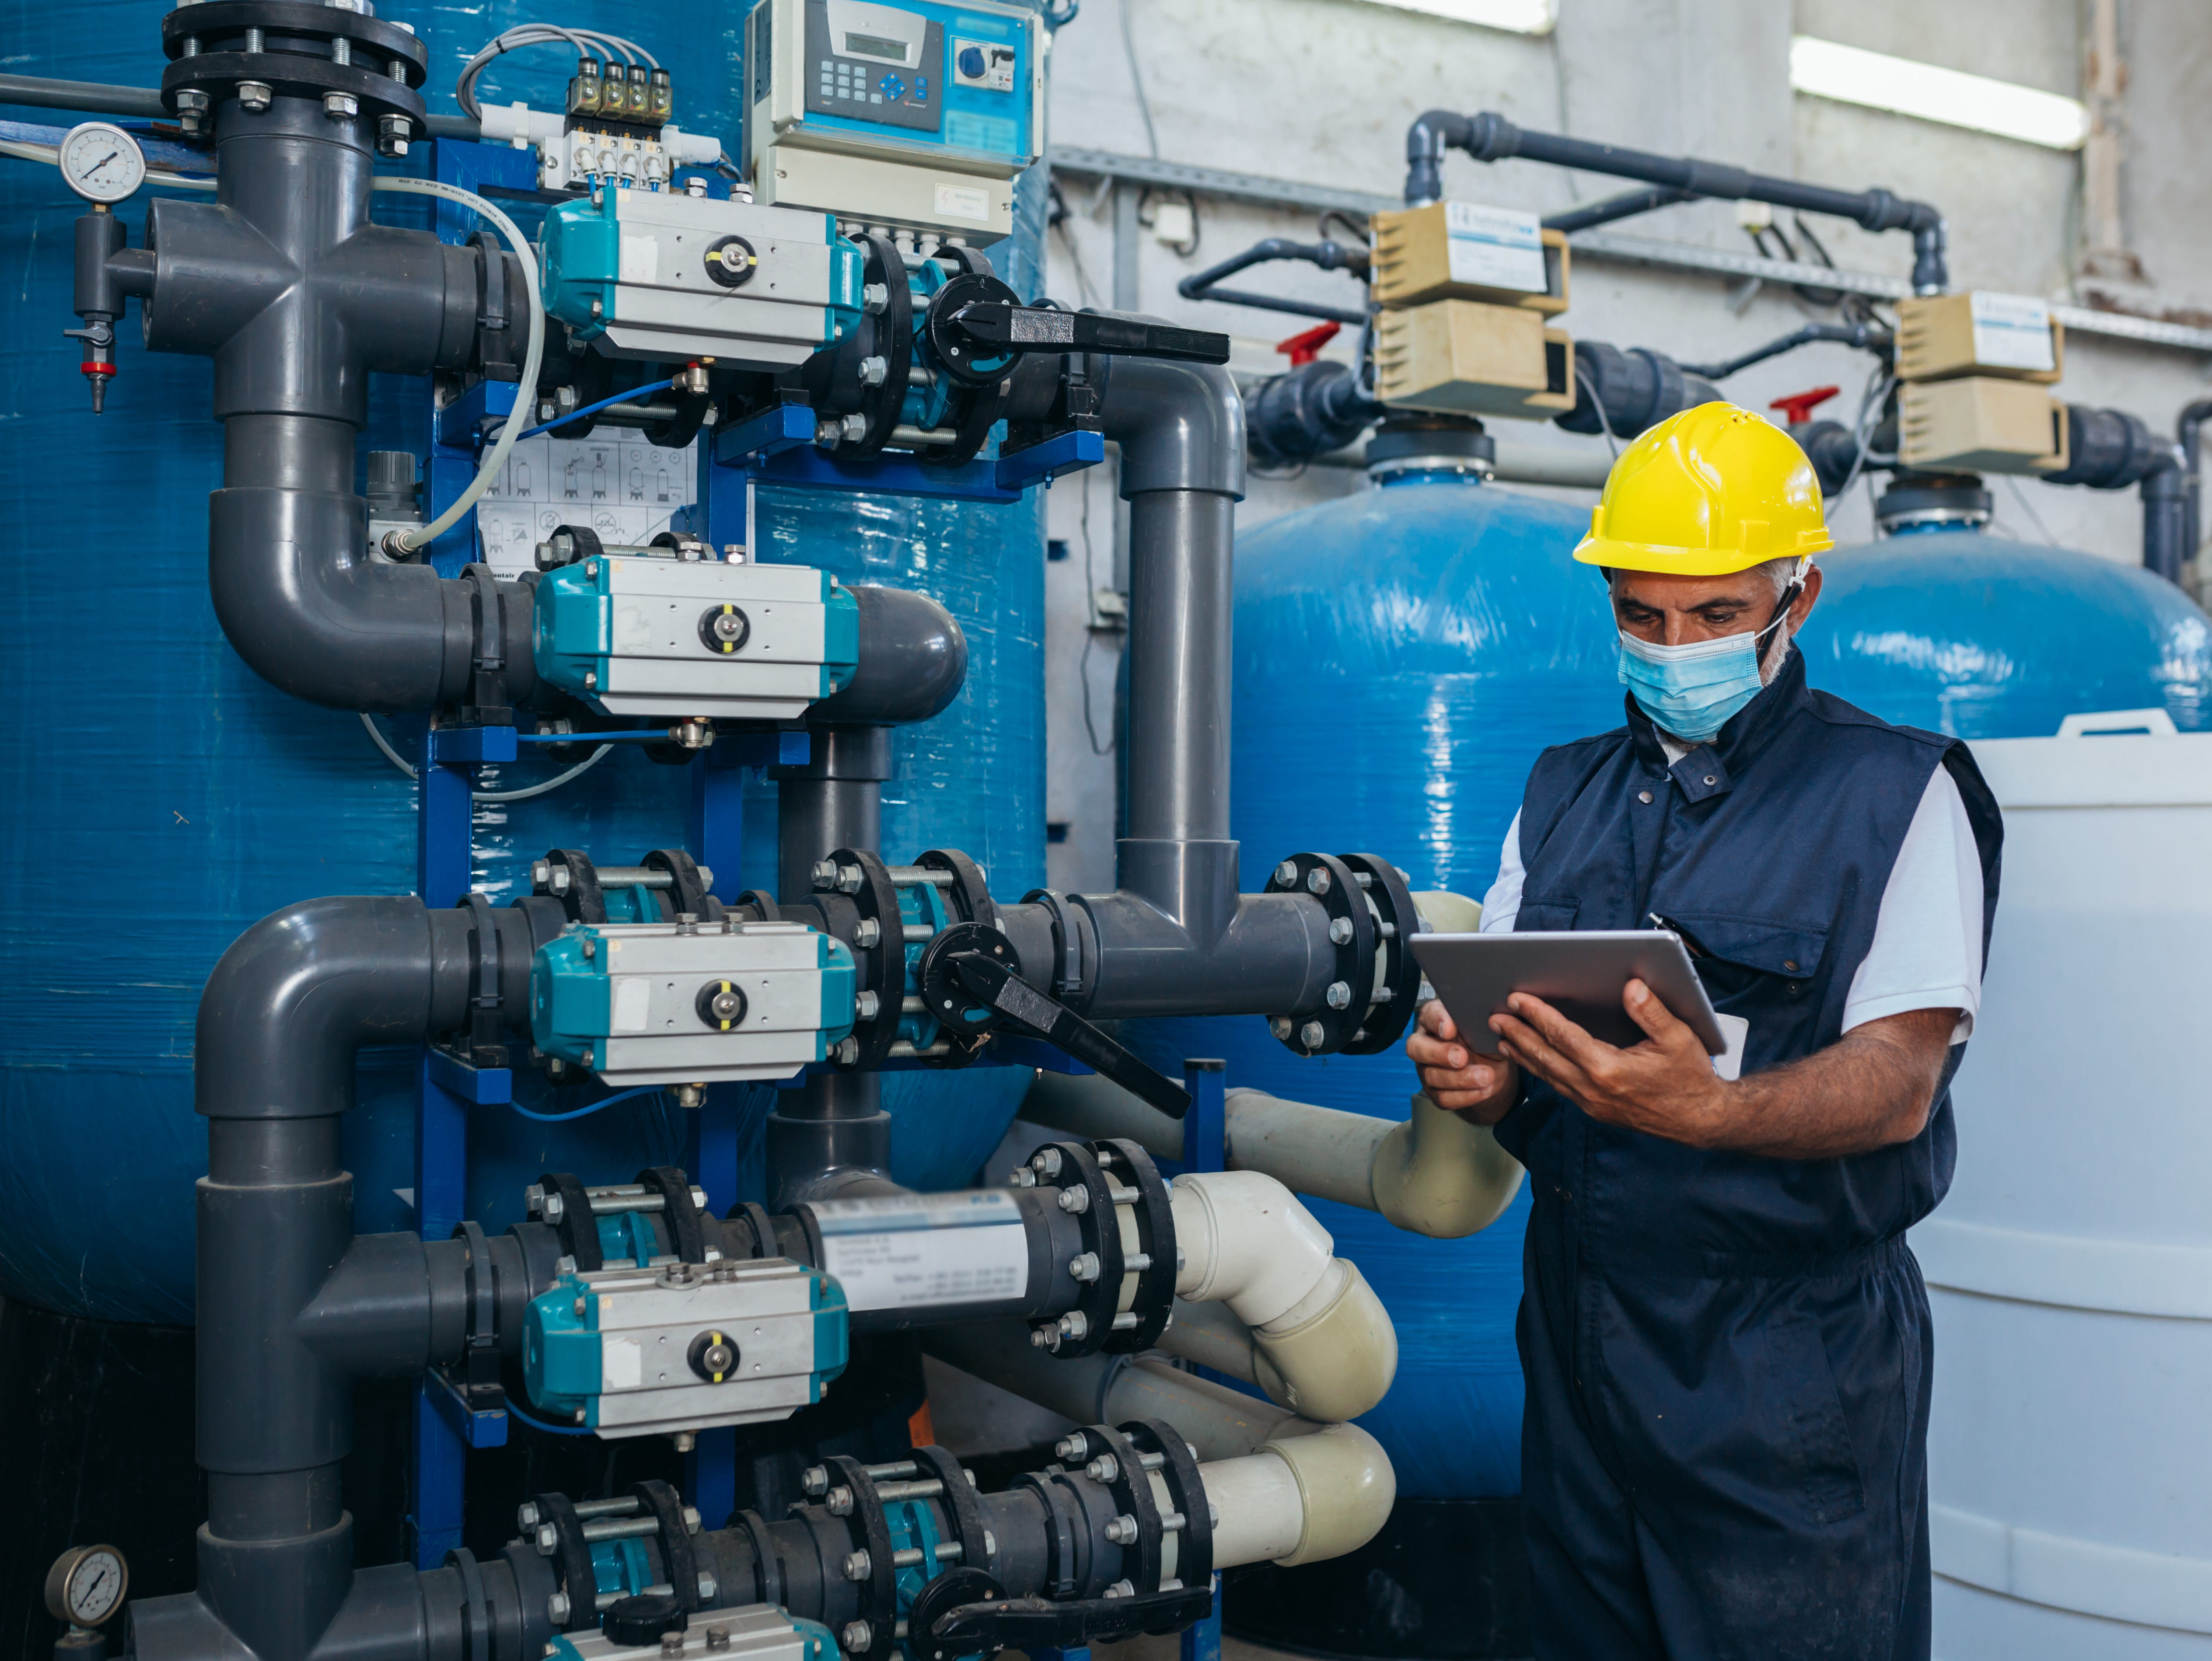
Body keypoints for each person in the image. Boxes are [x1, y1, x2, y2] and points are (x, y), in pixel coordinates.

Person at [1407, 403, 2002, 1661]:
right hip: (1576, 1336)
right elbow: (1529, 1058)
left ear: (1798, 597)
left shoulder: (1895, 795)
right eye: (1641, 615)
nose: (1674, 647)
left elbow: (1898, 1083)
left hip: (1782, 1366)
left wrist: (1713, 1113)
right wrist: (1485, 1082)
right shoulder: (1558, 791)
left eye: (1717, 616)